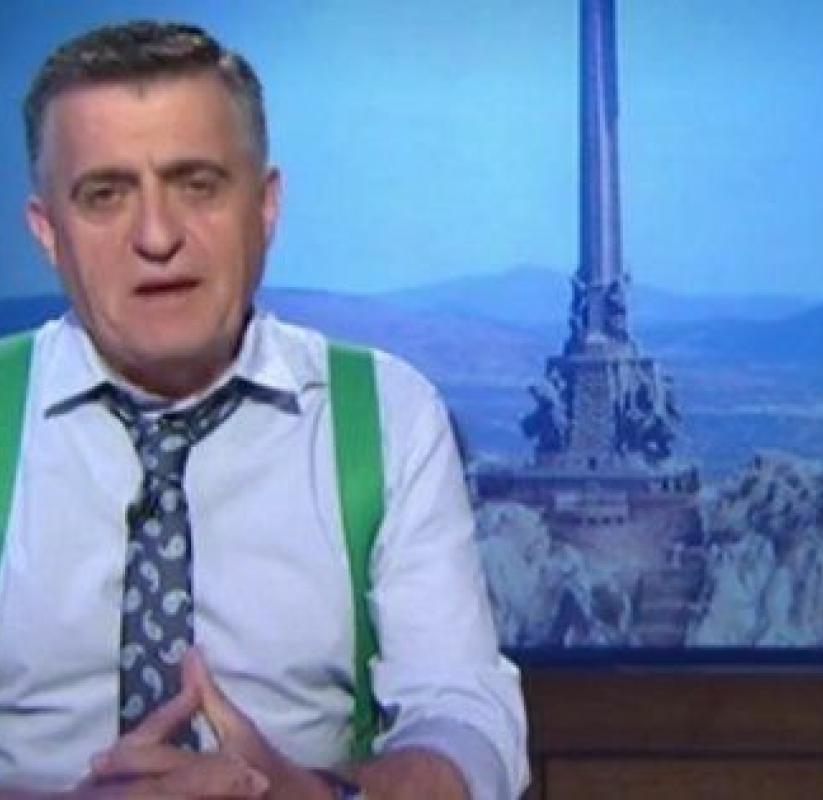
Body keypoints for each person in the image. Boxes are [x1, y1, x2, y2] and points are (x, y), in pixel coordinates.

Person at [0, 20, 527, 800]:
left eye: (197, 185)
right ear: (48, 232)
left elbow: (467, 721)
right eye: (105, 195)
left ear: (266, 205)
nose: (157, 236)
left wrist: (315, 795)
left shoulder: (389, 414)